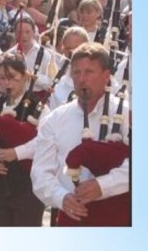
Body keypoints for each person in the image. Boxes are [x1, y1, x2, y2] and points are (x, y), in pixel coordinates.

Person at [31, 42, 130, 226]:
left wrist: (103, 186)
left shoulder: (125, 113)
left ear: (106, 76)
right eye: (76, 72)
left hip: (118, 216)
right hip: (71, 215)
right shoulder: (55, 119)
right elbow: (40, 172)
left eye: (89, 72)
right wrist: (62, 197)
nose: (81, 79)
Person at [0, 53, 48, 226]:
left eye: (12, 78)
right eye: (2, 78)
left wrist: (17, 153)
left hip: (29, 185)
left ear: (25, 76)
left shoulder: (40, 109)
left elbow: (45, 143)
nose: (7, 83)